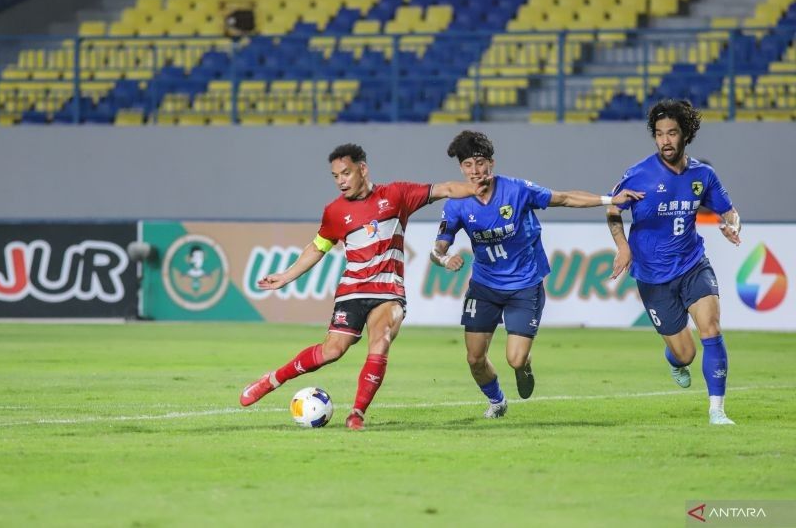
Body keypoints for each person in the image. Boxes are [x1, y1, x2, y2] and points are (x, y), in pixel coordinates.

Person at [239, 143, 488, 430]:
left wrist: (476, 188)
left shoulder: (397, 195)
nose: (341, 180)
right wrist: (286, 276)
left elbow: (444, 189)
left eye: (346, 173)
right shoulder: (334, 211)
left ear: (363, 169)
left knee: (380, 340)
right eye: (335, 176)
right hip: (353, 291)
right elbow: (318, 246)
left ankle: (356, 413)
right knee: (332, 351)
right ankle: (271, 380)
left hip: (388, 292)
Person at [430, 130, 644, 419]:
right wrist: (444, 259)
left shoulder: (517, 190)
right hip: (484, 285)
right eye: (468, 165)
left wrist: (609, 200)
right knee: (474, 358)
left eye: (480, 162)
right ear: (461, 168)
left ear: (491, 163)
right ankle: (497, 401)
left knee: (515, 359)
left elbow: (565, 198)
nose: (475, 171)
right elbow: (438, 248)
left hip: (524, 285)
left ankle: (524, 366)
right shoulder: (455, 203)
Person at [605, 99, 741, 425]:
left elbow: (728, 210)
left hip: (693, 263)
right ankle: (675, 360)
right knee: (687, 353)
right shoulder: (638, 175)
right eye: (659, 134)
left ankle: (717, 411)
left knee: (711, 328)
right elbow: (613, 209)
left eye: (672, 133)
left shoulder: (703, 175)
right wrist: (623, 247)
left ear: (686, 135)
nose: (665, 140)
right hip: (653, 276)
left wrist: (733, 225)